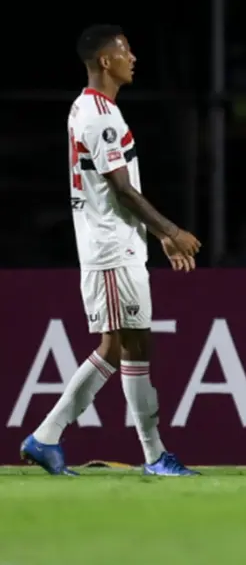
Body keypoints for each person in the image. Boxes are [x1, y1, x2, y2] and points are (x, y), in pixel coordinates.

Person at [20, 25, 201, 476]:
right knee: (124, 344)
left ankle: (52, 437)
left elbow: (120, 188)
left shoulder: (94, 109)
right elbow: (121, 190)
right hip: (110, 248)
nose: (132, 58)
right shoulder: (98, 115)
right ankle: (145, 454)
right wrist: (171, 230)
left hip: (120, 245)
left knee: (126, 345)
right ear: (106, 61)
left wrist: (156, 236)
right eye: (125, 51)